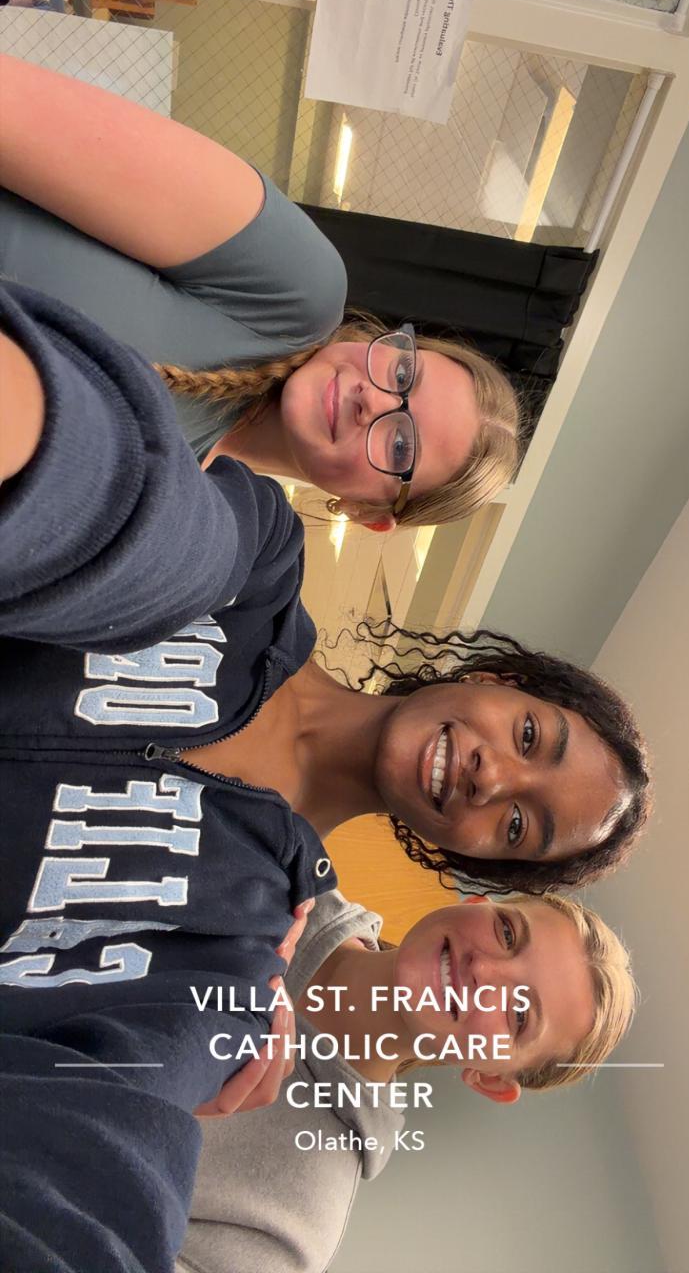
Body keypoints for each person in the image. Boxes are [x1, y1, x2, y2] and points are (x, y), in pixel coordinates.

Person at [0, 279, 644, 1271]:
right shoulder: (253, 564)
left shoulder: (231, 962)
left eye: (519, 825)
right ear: (497, 681)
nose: (494, 776)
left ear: (478, 862)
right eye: (530, 735)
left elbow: (96, 1153)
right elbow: (89, 499)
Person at [0, 54, 519, 532]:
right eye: (403, 374)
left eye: (400, 445)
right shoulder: (293, 288)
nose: (374, 399)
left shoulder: (166, 520)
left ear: (370, 514)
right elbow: (14, 105)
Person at [179, 887, 636, 1273]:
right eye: (508, 933)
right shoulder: (288, 870)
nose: (484, 969)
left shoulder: (290, 1223)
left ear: (491, 1079)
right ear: (477, 904)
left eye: (519, 1013)